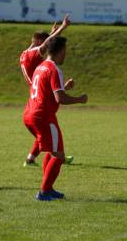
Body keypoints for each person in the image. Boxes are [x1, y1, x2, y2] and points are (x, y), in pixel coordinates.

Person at [23, 35, 88, 201]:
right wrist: (79, 99)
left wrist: (64, 87)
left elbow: (49, 93)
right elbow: (60, 99)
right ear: (60, 51)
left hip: (30, 114)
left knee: (53, 151)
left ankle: (49, 188)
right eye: (65, 51)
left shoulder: (40, 67)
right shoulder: (54, 69)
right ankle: (44, 192)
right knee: (59, 155)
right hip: (43, 116)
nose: (66, 54)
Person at [19, 14, 73, 166]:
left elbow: (50, 43)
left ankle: (32, 158)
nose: (47, 47)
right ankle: (56, 156)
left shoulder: (24, 54)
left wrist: (54, 32)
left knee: (42, 132)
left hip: (38, 90)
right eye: (44, 42)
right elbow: (49, 45)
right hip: (41, 95)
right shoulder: (31, 55)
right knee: (45, 127)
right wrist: (62, 27)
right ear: (37, 41)